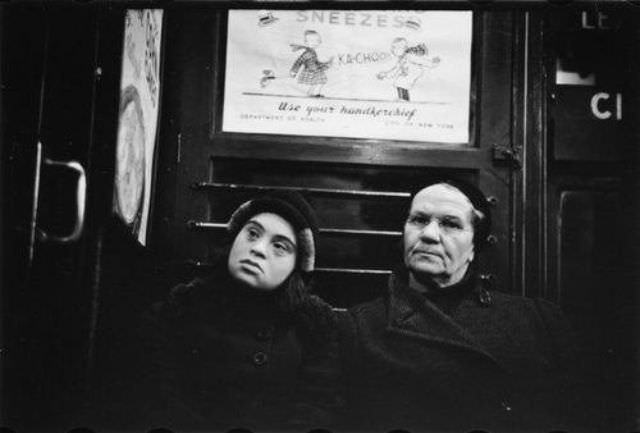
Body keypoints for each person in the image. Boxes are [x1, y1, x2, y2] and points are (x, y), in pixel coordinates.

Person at [339, 179, 589, 432]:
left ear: (474, 247)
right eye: (419, 220)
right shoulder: (359, 327)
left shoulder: (541, 320)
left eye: (450, 224)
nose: (428, 234)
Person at [138, 191, 341, 431]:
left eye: (279, 246)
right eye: (252, 233)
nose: (258, 249)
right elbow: (156, 400)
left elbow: (316, 409)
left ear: (296, 266)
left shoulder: (313, 328)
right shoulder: (180, 308)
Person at [376, 37, 440, 102]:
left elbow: (421, 61)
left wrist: (433, 63)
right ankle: (403, 98)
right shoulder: (402, 59)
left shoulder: (409, 56)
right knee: (400, 82)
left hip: (414, 71)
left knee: (401, 82)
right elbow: (395, 70)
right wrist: (385, 75)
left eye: (395, 48)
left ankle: (403, 99)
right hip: (408, 72)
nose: (392, 50)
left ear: (403, 48)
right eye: (393, 48)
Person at [290, 30, 333, 98]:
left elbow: (315, 62)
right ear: (306, 42)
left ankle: (313, 93)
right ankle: (314, 93)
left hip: (316, 70)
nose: (316, 42)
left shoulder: (312, 52)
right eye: (312, 41)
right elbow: (299, 61)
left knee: (318, 82)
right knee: (319, 82)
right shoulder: (307, 53)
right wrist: (294, 71)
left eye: (317, 40)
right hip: (311, 71)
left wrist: (326, 64)